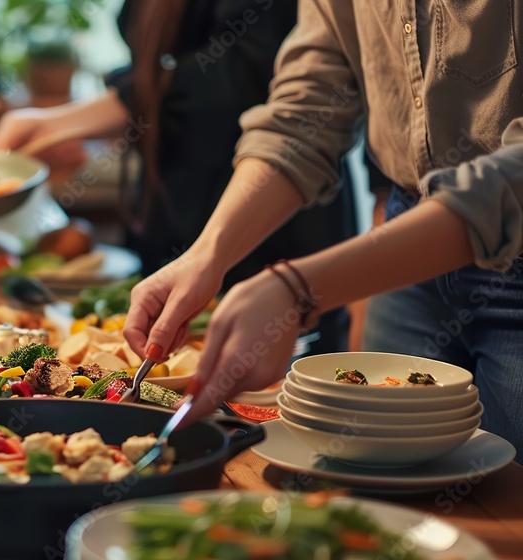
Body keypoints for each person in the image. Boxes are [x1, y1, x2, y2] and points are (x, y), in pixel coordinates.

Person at [123, 0, 523, 456]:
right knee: (376, 485)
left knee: (506, 513)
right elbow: (306, 107)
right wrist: (207, 254)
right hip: (406, 259)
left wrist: (299, 289)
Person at [0, 0, 356, 354]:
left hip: (266, 215)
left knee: (264, 398)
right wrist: (90, 129)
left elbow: (246, 79)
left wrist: (68, 121)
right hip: (176, 217)